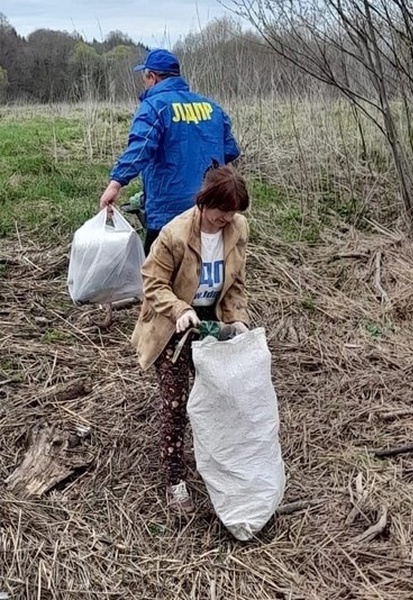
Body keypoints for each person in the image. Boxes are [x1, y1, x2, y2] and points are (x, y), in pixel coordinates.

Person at [131, 165, 250, 512]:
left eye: (232, 214)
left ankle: (216, 465)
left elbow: (236, 281)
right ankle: (174, 479)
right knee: (175, 403)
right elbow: (152, 283)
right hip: (174, 327)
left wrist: (237, 319)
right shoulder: (174, 234)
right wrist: (179, 308)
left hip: (211, 321)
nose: (225, 220)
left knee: (217, 395)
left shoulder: (238, 229)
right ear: (204, 203)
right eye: (220, 213)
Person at [99, 48, 240, 255]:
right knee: (201, 269)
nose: (144, 83)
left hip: (167, 209)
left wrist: (116, 183)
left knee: (155, 276)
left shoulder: (155, 107)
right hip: (209, 206)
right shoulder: (212, 107)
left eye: (144, 78)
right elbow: (230, 150)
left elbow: (140, 148)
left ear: (153, 77)